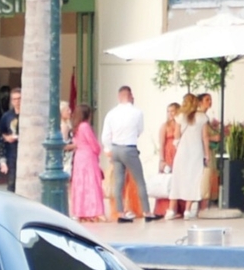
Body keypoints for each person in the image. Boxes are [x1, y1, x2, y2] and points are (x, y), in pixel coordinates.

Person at [102, 86, 147, 223]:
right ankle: (147, 211)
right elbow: (140, 130)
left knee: (118, 183)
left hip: (115, 149)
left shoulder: (111, 113)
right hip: (129, 147)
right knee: (139, 181)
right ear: (130, 95)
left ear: (119, 96)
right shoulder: (137, 112)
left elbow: (105, 135)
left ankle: (120, 212)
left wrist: (108, 149)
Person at [166, 93, 212, 219]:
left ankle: (171, 210)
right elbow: (205, 137)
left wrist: (177, 147)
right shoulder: (202, 117)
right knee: (193, 179)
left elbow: (176, 136)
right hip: (196, 152)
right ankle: (187, 210)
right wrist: (207, 154)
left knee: (178, 178)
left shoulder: (180, 116)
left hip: (182, 151)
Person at [69, 99, 106, 220]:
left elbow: (75, 143)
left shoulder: (76, 127)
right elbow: (94, 144)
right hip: (88, 157)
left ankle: (80, 211)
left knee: (80, 184)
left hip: (79, 156)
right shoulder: (85, 126)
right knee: (92, 183)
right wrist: (98, 150)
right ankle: (95, 211)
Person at [154, 100, 184, 218]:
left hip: (179, 153)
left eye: (173, 111)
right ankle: (164, 209)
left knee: (178, 182)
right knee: (167, 182)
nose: (171, 114)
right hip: (168, 155)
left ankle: (178, 209)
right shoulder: (164, 126)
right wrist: (162, 159)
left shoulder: (180, 124)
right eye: (169, 111)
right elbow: (161, 143)